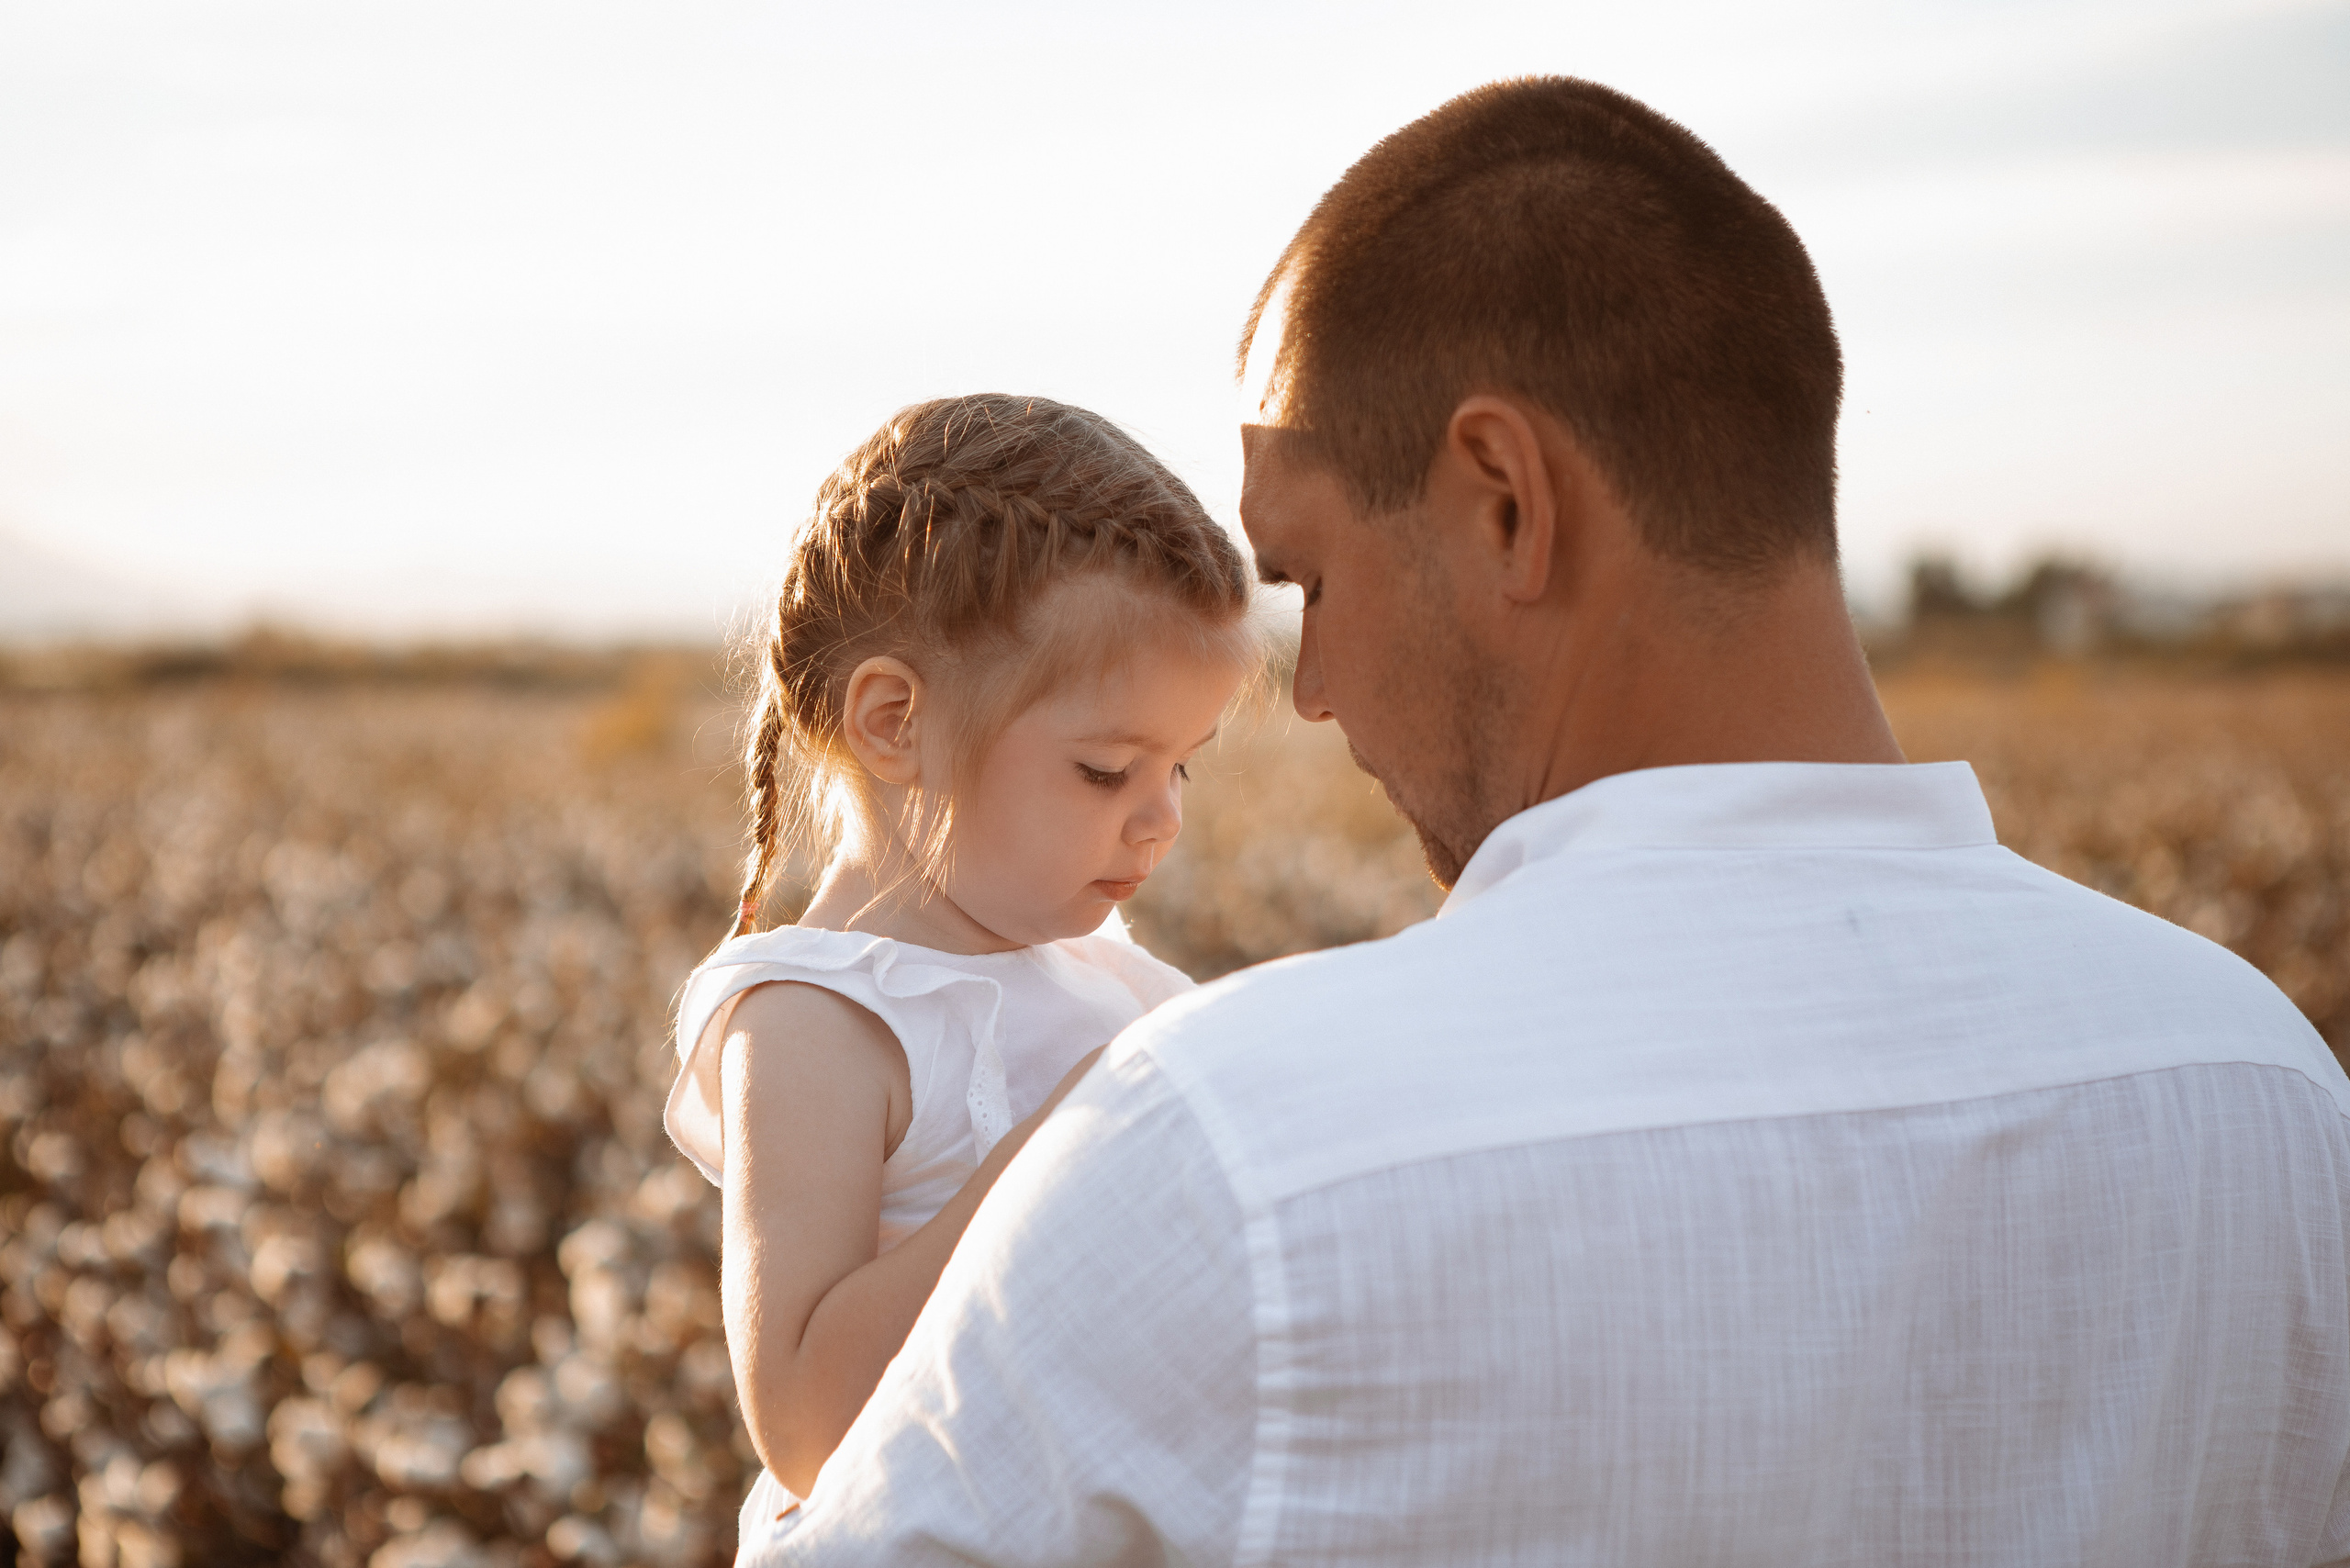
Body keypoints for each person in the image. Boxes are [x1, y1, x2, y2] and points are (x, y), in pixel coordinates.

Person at [745, 79, 2350, 1567]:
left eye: (1310, 578)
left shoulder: (1231, 1155)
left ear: (1506, 503)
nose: (1314, 697)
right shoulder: (2270, 1087)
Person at [663, 393, 1262, 1531]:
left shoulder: (1102, 971)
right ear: (895, 723)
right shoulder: (813, 1019)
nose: (1161, 821)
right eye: (1105, 771)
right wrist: (1085, 1132)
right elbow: (802, 1423)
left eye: (1182, 768)